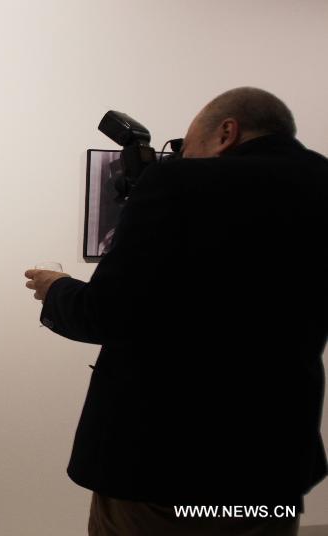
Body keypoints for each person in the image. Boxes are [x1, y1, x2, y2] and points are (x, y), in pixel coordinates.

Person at [25, 87, 327, 536]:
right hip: (274, 462)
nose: (183, 157)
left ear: (227, 132)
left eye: (188, 145)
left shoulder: (178, 184)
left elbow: (104, 313)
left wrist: (56, 289)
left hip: (165, 466)